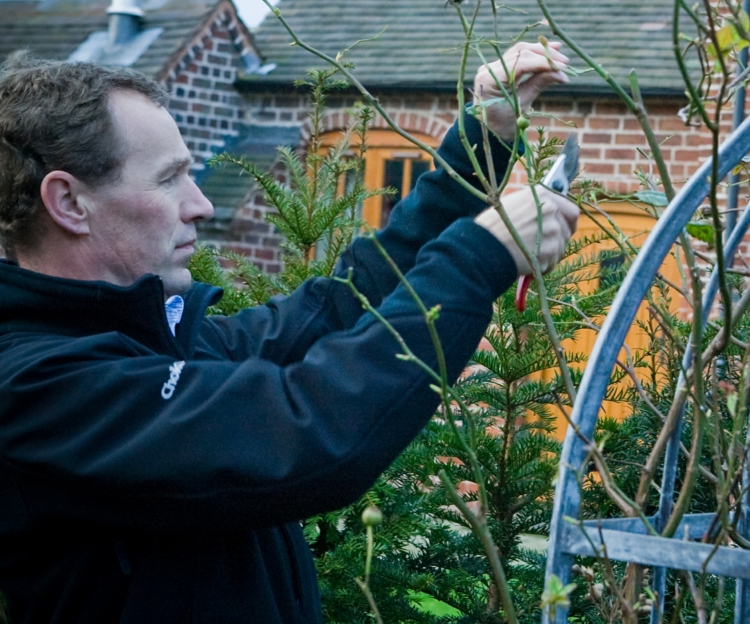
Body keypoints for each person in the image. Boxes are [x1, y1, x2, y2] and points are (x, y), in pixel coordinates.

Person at [0, 42, 578, 624]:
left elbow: (344, 303)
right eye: (170, 179)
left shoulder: (161, 342)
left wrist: (482, 137)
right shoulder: (36, 390)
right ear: (69, 202)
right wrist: (480, 257)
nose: (199, 205)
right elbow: (308, 431)